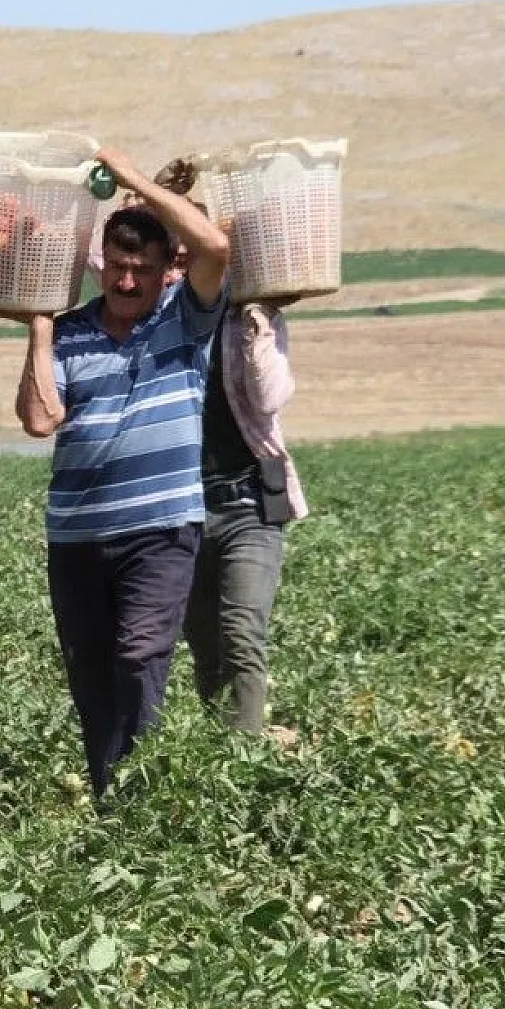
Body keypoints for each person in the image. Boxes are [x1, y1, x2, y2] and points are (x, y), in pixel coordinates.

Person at [4, 147, 230, 799]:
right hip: (76, 537)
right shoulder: (70, 332)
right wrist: (40, 332)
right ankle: (113, 805)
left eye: (142, 271)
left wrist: (133, 182)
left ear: (165, 271)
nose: (128, 283)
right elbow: (40, 419)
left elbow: (215, 247)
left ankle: (138, 799)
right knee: (92, 678)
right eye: (118, 269)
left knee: (138, 657)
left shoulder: (185, 317)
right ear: (102, 265)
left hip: (159, 531)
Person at [182, 290, 308, 735]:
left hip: (249, 503)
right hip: (183, 507)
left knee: (241, 633)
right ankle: (221, 751)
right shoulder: (167, 318)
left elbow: (270, 398)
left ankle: (244, 752)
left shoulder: (249, 322)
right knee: (205, 644)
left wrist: (259, 325)